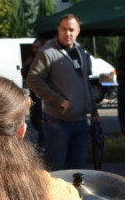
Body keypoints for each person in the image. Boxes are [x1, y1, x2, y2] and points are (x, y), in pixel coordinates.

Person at [26, 14, 99, 171]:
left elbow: (85, 83)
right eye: (64, 29)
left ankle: (73, 196)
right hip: (57, 122)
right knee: (58, 171)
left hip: (81, 122)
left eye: (72, 29)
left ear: (78, 31)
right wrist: (58, 101)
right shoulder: (48, 52)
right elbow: (32, 80)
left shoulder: (81, 51)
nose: (68, 33)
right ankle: (55, 197)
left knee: (78, 171)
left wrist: (94, 111)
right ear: (58, 30)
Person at [20, 39, 45, 149]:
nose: (35, 49)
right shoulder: (31, 59)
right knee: (34, 120)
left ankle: (42, 143)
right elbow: (23, 73)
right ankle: (43, 141)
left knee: (41, 120)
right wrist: (25, 65)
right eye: (33, 47)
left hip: (44, 96)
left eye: (37, 47)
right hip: (34, 94)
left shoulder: (45, 59)